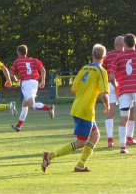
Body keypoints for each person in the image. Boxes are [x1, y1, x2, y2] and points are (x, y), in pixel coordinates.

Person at [41, 44, 109, 172]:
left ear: (92, 55)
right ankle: (50, 156)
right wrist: (107, 105)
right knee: (81, 142)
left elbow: (74, 90)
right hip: (86, 110)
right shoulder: (101, 71)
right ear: (104, 57)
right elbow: (104, 94)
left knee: (95, 135)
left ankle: (80, 165)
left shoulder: (84, 69)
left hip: (79, 107)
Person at [9, 45, 55, 132]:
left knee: (31, 105)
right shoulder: (33, 60)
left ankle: (49, 108)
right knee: (24, 104)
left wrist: (16, 80)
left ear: (19, 53)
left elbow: (12, 74)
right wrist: (43, 81)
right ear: (26, 52)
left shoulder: (17, 61)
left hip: (26, 83)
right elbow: (43, 70)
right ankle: (18, 126)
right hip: (34, 83)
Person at [103, 35, 135, 147]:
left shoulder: (109, 56)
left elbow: (104, 71)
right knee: (130, 111)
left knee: (112, 110)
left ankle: (110, 140)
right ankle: (129, 138)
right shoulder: (124, 55)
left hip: (112, 86)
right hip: (125, 85)